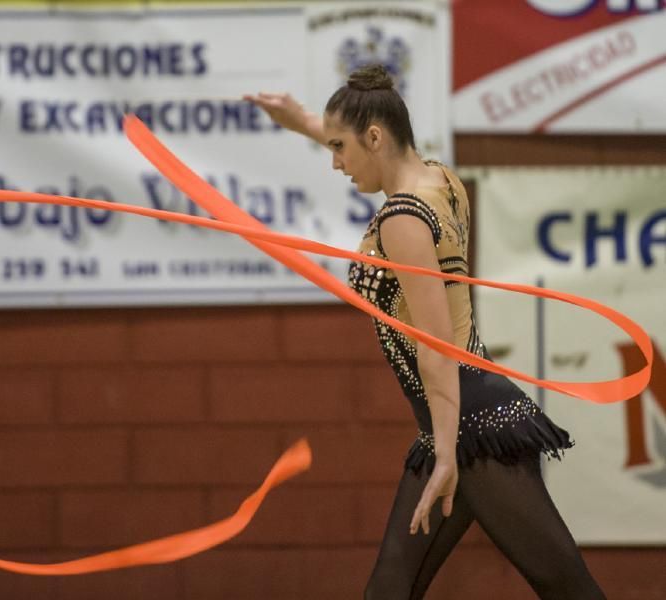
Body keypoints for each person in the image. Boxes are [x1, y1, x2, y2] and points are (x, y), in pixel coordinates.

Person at [245, 65, 605, 600]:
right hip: (461, 417)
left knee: (568, 587)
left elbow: (435, 346)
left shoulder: (403, 218)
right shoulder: (439, 179)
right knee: (390, 590)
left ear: (374, 137)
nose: (336, 161)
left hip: (469, 427)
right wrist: (297, 118)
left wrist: (443, 455)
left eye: (340, 146)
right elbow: (441, 342)